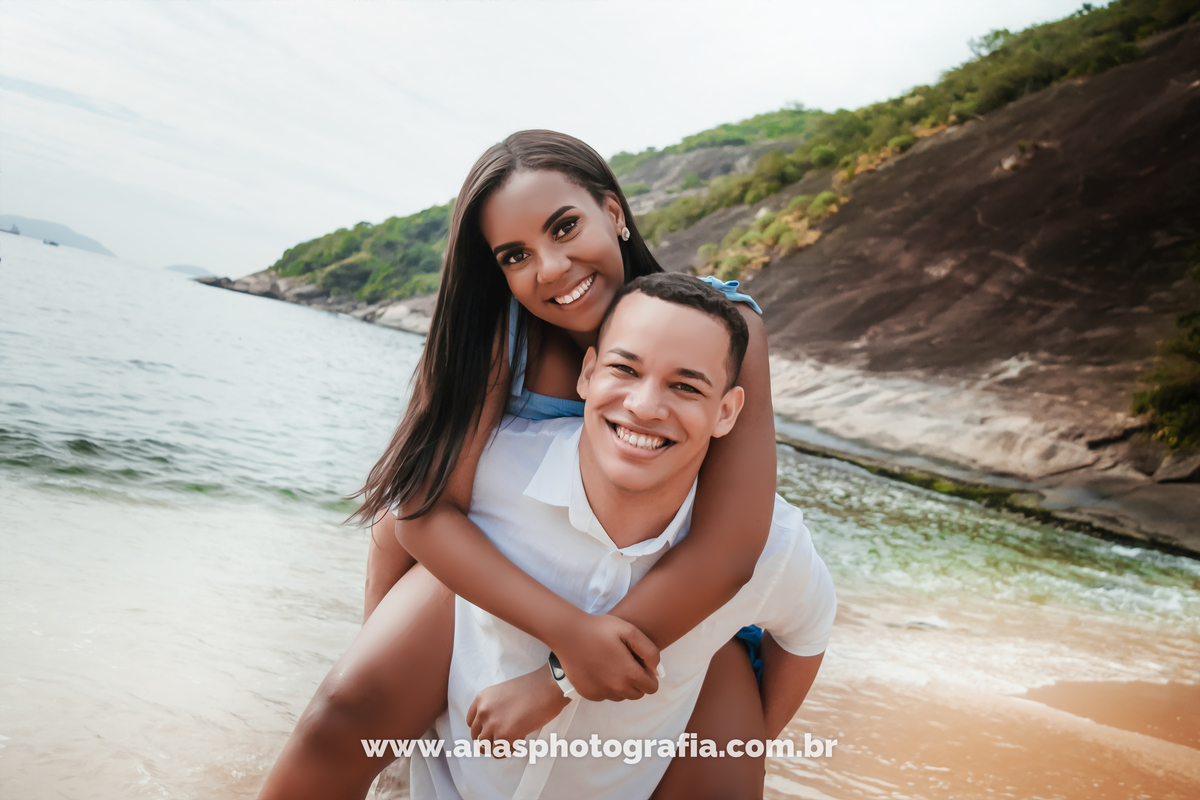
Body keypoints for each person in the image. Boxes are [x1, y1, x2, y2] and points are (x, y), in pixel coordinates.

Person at [256, 131, 780, 800]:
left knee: (728, 770)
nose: (553, 268)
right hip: (505, 562)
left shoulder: (723, 327)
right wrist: (566, 637)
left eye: (565, 226)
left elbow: (731, 545)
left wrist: (560, 675)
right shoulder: (500, 334)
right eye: (516, 255)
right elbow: (414, 511)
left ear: (613, 214)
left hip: (664, 582)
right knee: (343, 719)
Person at [410, 273, 836, 799]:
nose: (644, 405)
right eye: (624, 369)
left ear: (726, 411)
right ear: (586, 374)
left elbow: (807, 632)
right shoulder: (493, 473)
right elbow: (405, 518)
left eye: (685, 386)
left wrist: (743, 746)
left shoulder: (776, 546)